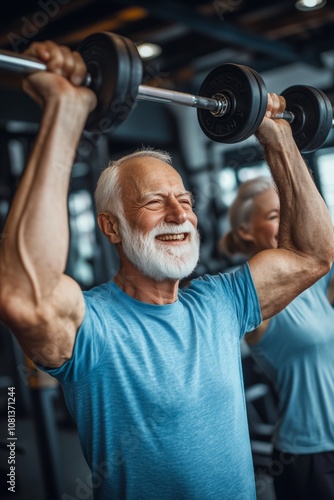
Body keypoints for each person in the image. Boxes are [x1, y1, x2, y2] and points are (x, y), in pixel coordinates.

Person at [0, 40, 333, 500]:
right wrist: (65, 113)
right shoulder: (93, 327)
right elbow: (24, 295)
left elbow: (312, 255)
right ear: (111, 227)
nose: (179, 215)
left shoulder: (221, 301)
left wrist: (278, 139)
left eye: (186, 201)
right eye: (155, 202)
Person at [219, 175, 334, 500]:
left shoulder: (313, 281)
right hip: (307, 454)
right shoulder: (250, 295)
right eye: (273, 216)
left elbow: (324, 242)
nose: (287, 222)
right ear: (245, 231)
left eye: (288, 212)